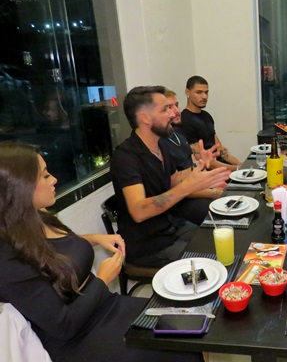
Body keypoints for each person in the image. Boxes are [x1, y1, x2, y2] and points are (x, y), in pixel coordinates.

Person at [0, 142, 202, 362]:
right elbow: (64, 325)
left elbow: (55, 248)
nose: (54, 179)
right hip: (78, 340)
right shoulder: (8, 261)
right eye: (45, 175)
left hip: (105, 306)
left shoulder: (39, 218)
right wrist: (103, 279)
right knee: (176, 348)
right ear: (20, 187)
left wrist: (95, 238)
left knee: (188, 328)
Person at [111, 85, 230, 267]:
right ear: (145, 118)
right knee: (215, 261)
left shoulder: (161, 145)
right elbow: (139, 211)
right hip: (149, 246)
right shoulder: (125, 157)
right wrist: (189, 186)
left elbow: (173, 179)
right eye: (165, 109)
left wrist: (199, 166)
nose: (172, 114)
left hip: (173, 227)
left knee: (227, 241)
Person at [163, 88, 225, 224]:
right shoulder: (159, 143)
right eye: (169, 107)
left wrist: (203, 166)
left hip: (194, 188)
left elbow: (192, 167)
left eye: (176, 105)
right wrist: (213, 192)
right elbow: (174, 187)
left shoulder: (178, 133)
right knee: (219, 210)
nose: (177, 111)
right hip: (181, 200)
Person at [179, 76, 242, 172]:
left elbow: (220, 148)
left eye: (206, 92)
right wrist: (236, 169)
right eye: (199, 92)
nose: (204, 96)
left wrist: (240, 164)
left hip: (223, 167)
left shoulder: (206, 116)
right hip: (210, 172)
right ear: (188, 92)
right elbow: (203, 161)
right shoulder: (185, 120)